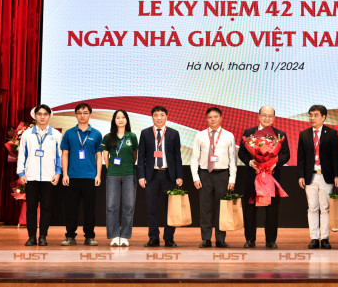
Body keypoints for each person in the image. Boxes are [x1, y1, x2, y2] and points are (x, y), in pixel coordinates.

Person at [238, 105, 290, 249]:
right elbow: (242, 153)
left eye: (270, 116)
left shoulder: (280, 134)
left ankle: (271, 241)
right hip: (253, 176)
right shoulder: (249, 132)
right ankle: (250, 240)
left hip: (271, 177)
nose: (267, 118)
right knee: (249, 209)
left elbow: (286, 154)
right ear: (259, 116)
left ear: (274, 118)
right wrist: (250, 162)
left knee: (272, 210)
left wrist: (275, 163)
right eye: (264, 115)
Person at [137, 106, 183, 247]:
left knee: (170, 209)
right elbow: (141, 156)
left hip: (169, 176)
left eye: (161, 115)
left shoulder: (173, 133)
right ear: (152, 117)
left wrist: (179, 176)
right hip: (152, 176)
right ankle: (154, 238)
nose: (159, 118)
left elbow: (177, 157)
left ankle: (169, 238)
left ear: (166, 116)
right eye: (156, 115)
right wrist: (141, 176)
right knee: (152, 208)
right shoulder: (145, 133)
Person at [191, 107, 237, 248]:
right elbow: (194, 158)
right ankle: (206, 238)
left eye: (215, 117)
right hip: (205, 174)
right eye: (210, 117)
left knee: (221, 208)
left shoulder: (229, 136)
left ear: (221, 118)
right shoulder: (200, 135)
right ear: (206, 119)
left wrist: (232, 179)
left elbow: (233, 160)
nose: (213, 119)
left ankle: (220, 238)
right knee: (205, 208)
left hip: (222, 175)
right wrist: (195, 177)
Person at [16, 104, 62, 246]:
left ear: (50, 116)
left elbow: (59, 156)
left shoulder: (56, 135)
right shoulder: (27, 134)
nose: (42, 117)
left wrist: (58, 173)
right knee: (31, 208)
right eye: (39, 114)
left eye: (45, 114)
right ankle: (31, 237)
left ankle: (42, 236)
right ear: (35, 116)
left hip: (49, 177)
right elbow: (21, 155)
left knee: (47, 208)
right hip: (31, 176)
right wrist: (21, 173)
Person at [297, 104, 338, 249]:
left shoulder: (332, 133)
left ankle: (325, 237)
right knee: (312, 208)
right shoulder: (304, 134)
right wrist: (301, 175)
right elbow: (301, 158)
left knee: (325, 208)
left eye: (316, 115)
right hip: (310, 176)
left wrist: (337, 175)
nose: (312, 118)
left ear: (323, 117)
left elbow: (336, 157)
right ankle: (314, 237)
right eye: (310, 115)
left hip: (326, 176)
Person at [60, 103, 103, 246]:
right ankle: (70, 236)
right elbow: (65, 154)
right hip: (72, 176)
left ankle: (89, 236)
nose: (82, 115)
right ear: (75, 115)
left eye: (85, 113)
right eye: (79, 113)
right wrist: (65, 174)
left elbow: (99, 155)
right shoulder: (69, 133)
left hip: (90, 177)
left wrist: (98, 175)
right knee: (71, 209)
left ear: (90, 114)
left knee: (89, 209)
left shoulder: (96, 134)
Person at [100, 110, 138, 247]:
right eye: (118, 117)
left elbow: (135, 155)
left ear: (127, 120)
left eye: (123, 117)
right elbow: (105, 155)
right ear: (114, 120)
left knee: (129, 206)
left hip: (129, 174)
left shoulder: (132, 136)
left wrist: (129, 166)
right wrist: (109, 167)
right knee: (111, 206)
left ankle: (125, 236)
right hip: (113, 175)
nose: (120, 120)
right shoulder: (108, 137)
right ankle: (114, 235)